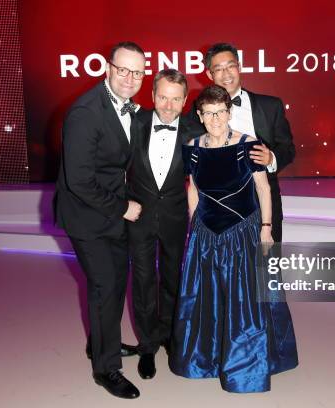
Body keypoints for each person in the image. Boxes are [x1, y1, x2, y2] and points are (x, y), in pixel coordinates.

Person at [169, 85, 298, 393]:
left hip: (243, 232)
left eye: (221, 112)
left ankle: (247, 366)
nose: (215, 119)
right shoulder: (193, 146)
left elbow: (264, 189)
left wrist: (265, 228)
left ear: (229, 112)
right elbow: (193, 190)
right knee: (206, 298)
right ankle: (207, 359)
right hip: (207, 233)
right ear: (200, 115)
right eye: (209, 113)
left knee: (245, 301)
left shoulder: (248, 144)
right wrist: (194, 225)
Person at [53, 41, 145, 399]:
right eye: (123, 69)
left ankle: (100, 343)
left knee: (114, 283)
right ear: (108, 68)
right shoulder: (86, 112)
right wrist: (122, 208)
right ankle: (106, 369)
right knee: (105, 286)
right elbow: (78, 180)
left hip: (110, 211)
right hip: (86, 216)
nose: (129, 78)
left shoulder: (126, 106)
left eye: (136, 72)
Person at [187, 42, 296, 242]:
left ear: (239, 67)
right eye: (218, 69)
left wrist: (271, 157)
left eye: (230, 66)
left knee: (267, 264)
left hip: (262, 201)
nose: (226, 73)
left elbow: (288, 148)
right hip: (218, 206)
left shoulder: (270, 106)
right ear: (210, 75)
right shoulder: (197, 113)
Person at [126, 69, 196, 379]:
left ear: (185, 100)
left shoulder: (195, 129)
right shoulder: (133, 123)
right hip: (138, 215)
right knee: (143, 282)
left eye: (176, 99)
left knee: (172, 279)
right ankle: (147, 344)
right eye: (163, 97)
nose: (168, 105)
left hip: (176, 216)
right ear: (153, 96)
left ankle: (169, 335)